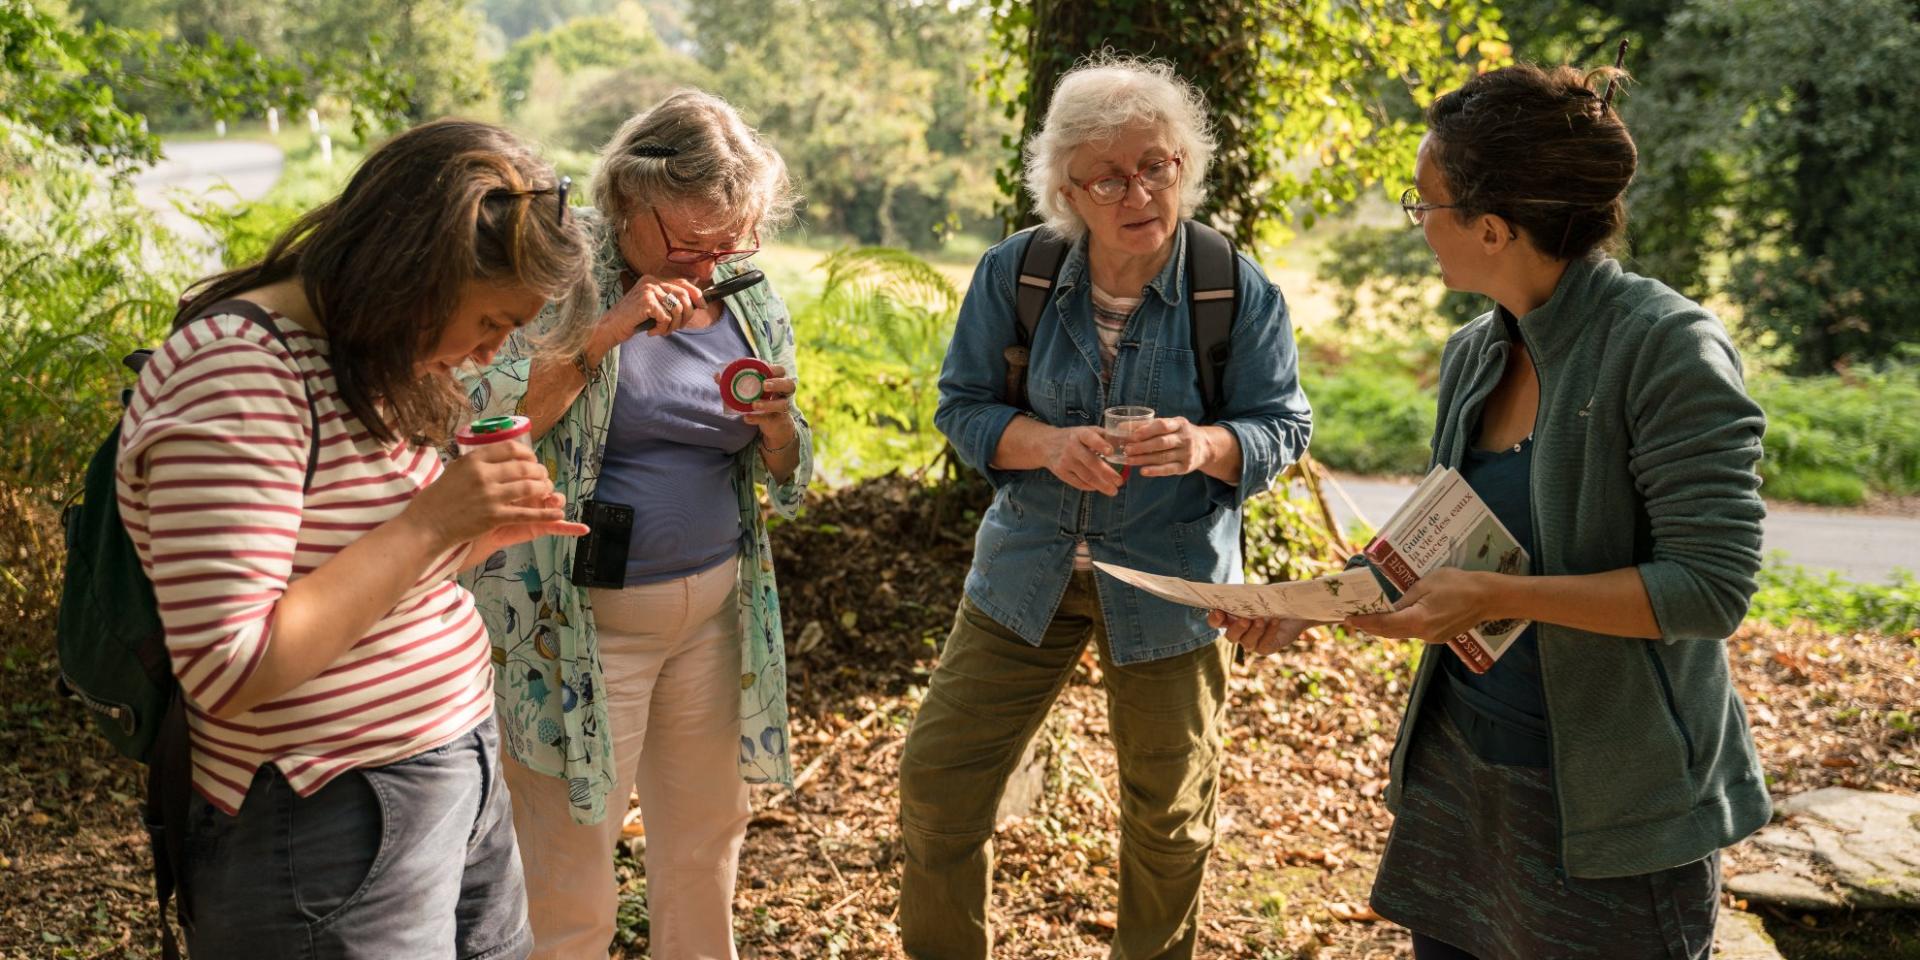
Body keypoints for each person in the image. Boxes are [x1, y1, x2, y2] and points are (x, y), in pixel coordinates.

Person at [1224, 63, 1772, 960]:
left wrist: (1498, 598)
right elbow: (1449, 537)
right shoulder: (1475, 352)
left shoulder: (1667, 347)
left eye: (1424, 203)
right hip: (1461, 780)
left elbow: (1710, 590)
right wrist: (1314, 603)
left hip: (1611, 811)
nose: (1416, 223)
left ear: (1492, 227)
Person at [115, 118, 596, 958]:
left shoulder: (367, 354)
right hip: (327, 819)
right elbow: (229, 666)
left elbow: (361, 576)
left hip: (451, 769)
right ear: (415, 273)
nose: (488, 352)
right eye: (491, 321)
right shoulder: (236, 374)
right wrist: (433, 520)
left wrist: (472, 537)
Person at [897, 56, 1313, 960]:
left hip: (1172, 585)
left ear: (1183, 163)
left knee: (1169, 821)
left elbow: (1283, 424)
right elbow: (962, 408)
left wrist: (1204, 445)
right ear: (1068, 191)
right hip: (1024, 574)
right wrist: (1047, 444)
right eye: (1111, 177)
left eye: (1157, 165)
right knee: (937, 786)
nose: (1141, 192)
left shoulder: (1231, 288)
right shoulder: (1018, 273)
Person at [460, 89, 810, 960]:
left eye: (731, 241)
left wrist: (777, 429)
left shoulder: (745, 294)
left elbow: (790, 464)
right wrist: (606, 334)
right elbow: (488, 425)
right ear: (627, 195)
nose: (711, 261)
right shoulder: (554, 274)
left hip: (715, 615)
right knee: (570, 864)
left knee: (704, 841)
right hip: (574, 625)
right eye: (690, 242)